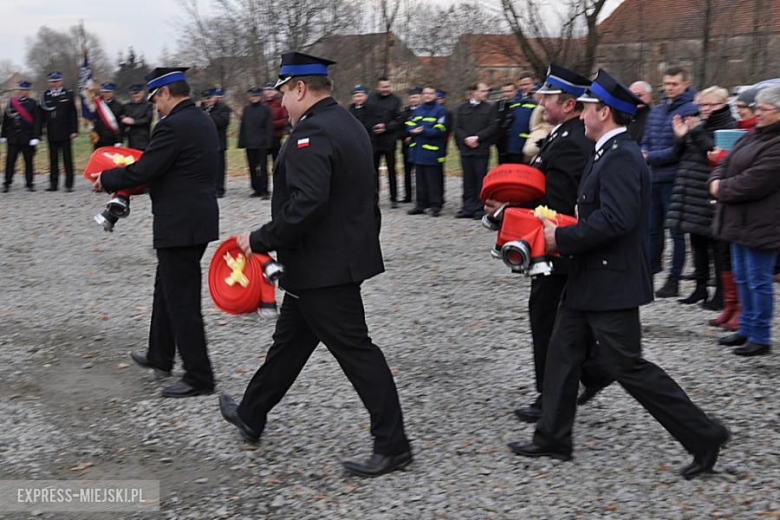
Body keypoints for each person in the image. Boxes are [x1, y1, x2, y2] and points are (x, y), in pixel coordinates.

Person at [508, 69, 730, 480]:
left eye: (589, 108)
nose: (584, 114)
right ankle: (553, 437)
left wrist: (562, 239)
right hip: (590, 277)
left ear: (604, 113)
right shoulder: (607, 152)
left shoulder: (622, 156)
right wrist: (561, 226)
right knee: (561, 352)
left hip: (611, 282)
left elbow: (616, 220)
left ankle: (704, 434)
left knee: (628, 367)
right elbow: (596, 212)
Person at [218, 52, 411, 477]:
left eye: (284, 92)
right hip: (325, 264)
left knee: (357, 352)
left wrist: (260, 239)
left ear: (300, 88)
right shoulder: (347, 123)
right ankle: (252, 413)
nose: (281, 101)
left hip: (324, 268)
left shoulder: (314, 134)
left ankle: (393, 445)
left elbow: (306, 204)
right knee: (289, 346)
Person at [487, 64, 612, 423]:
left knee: (548, 322)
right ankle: (594, 371)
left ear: (569, 104)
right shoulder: (560, 134)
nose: (539, 99)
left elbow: (553, 207)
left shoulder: (571, 141)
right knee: (563, 322)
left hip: (559, 249)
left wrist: (507, 212)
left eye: (548, 96)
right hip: (557, 247)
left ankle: (553, 395)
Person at [92, 67, 219, 398]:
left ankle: (199, 375)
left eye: (155, 99)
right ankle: (160, 354)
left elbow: (146, 168)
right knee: (166, 288)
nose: (155, 106)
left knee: (182, 300)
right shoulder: (201, 119)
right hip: (195, 220)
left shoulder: (173, 126)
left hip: (180, 224)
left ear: (165, 93)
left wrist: (107, 179)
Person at [709, 86, 780, 357]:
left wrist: (720, 188)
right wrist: (716, 180)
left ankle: (760, 336)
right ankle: (747, 328)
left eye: (764, 110)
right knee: (742, 277)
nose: (757, 113)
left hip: (763, 222)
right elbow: (725, 166)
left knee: (758, 280)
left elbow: (754, 181)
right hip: (740, 220)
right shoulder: (753, 136)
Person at [665, 87, 735, 309]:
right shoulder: (699, 124)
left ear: (723, 104)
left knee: (717, 246)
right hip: (691, 190)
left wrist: (694, 133)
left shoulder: (728, 126)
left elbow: (713, 153)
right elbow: (680, 153)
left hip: (709, 191)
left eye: (710, 105)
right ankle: (700, 287)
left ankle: (722, 293)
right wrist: (680, 136)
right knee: (697, 243)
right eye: (702, 105)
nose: (704, 109)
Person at [642, 67, 698, 298]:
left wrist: (651, 157)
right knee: (652, 229)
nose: (669, 88)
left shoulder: (691, 110)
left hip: (675, 178)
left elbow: (680, 149)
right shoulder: (657, 110)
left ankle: (674, 278)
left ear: (686, 84)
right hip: (653, 177)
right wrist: (643, 151)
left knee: (676, 232)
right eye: (666, 83)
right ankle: (649, 270)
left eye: (674, 84)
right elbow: (646, 138)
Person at [454, 82, 497, 219]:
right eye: (483, 91)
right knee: (467, 180)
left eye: (486, 91)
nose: (486, 93)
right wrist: (466, 139)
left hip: (481, 149)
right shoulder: (462, 108)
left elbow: (492, 127)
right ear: (474, 92)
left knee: (480, 179)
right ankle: (467, 207)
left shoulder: (490, 108)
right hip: (466, 150)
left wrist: (478, 138)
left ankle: (479, 207)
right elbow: (457, 127)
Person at [406, 86, 448, 217]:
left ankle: (435, 205)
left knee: (433, 181)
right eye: (425, 94)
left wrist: (422, 130)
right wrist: (412, 130)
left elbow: (439, 129)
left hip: (432, 152)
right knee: (420, 180)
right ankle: (420, 204)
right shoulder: (418, 110)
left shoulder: (441, 111)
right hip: (418, 151)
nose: (427, 96)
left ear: (435, 95)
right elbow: (409, 123)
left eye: (430, 93)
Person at [40, 71, 79, 192]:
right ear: (49, 82)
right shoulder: (45, 95)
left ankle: (68, 184)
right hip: (51, 132)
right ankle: (53, 184)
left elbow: (73, 113)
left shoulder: (68, 94)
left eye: (56, 81)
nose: (54, 84)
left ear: (61, 81)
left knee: (67, 159)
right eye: (52, 82)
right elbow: (42, 115)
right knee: (53, 159)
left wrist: (74, 130)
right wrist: (40, 131)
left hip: (65, 131)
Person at [369, 77, 404, 208]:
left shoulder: (396, 100)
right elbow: (367, 117)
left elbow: (400, 119)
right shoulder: (370, 99)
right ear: (378, 87)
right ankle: (374, 197)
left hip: (389, 140)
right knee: (373, 171)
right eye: (383, 87)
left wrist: (386, 127)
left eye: (387, 87)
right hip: (374, 140)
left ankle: (394, 198)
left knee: (391, 170)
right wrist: (373, 127)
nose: (386, 89)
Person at [1, 80, 40, 192]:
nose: (21, 92)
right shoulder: (11, 102)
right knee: (10, 161)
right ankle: (7, 182)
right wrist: (3, 135)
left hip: (27, 137)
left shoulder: (33, 103)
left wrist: (35, 137)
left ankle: (29, 183)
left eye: (23, 90)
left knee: (28, 161)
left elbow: (37, 121)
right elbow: (6, 120)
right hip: (13, 137)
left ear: (27, 91)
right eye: (19, 90)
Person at [238, 87, 273, 198]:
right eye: (252, 96)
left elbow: (269, 127)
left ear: (260, 97)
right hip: (250, 142)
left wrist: (268, 142)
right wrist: (242, 141)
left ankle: (264, 189)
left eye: (256, 96)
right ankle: (256, 188)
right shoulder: (247, 109)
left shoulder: (265, 109)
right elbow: (243, 126)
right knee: (252, 167)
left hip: (261, 142)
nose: (254, 98)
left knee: (263, 167)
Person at [202, 88, 231, 198]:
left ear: (215, 98)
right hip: (205, 142)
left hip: (219, 141)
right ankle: (208, 187)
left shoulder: (223, 108)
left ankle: (219, 188)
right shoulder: (201, 108)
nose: (208, 101)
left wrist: (209, 117)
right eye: (206, 99)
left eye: (210, 98)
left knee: (219, 167)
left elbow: (223, 122)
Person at [399, 87, 422, 203]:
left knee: (420, 173)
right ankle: (408, 195)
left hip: (419, 145)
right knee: (407, 172)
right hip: (406, 146)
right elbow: (400, 128)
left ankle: (421, 196)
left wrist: (412, 136)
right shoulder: (405, 113)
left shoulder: (423, 111)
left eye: (416, 97)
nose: (413, 100)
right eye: (412, 97)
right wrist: (405, 136)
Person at [505, 85, 538, 164]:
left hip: (529, 144)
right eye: (522, 84)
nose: (525, 86)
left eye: (527, 83)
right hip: (513, 145)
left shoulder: (536, 101)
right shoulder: (515, 102)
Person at [263, 82, 288, 179]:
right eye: (267, 90)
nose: (269, 92)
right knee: (262, 163)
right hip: (263, 138)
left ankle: (279, 183)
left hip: (275, 136)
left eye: (271, 90)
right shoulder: (261, 103)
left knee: (277, 162)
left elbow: (285, 119)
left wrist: (270, 125)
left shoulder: (281, 103)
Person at [93, 82, 125, 149]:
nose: (105, 94)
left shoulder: (119, 106)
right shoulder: (96, 104)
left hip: (112, 139)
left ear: (113, 93)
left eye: (108, 92)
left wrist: (119, 140)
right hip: (99, 138)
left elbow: (121, 126)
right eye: (104, 92)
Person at [122, 84, 154, 151]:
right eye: (133, 94)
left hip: (143, 138)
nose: (135, 95)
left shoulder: (148, 105)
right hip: (131, 138)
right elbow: (123, 119)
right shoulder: (127, 106)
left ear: (142, 93)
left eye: (137, 93)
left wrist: (134, 121)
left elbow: (148, 119)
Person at [496, 82, 516, 164]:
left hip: (516, 146)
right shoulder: (498, 106)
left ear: (515, 91)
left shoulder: (519, 104)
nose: (507, 94)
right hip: (502, 146)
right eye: (504, 92)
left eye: (509, 91)